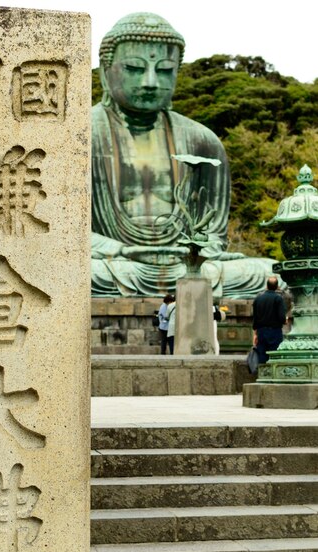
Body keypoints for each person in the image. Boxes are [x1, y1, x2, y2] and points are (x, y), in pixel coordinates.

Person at [91, 12, 281, 299]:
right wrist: (118, 249)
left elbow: (214, 233)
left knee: (269, 274)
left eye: (165, 70)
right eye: (134, 68)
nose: (151, 81)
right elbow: (61, 229)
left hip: (188, 265)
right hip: (116, 263)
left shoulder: (202, 141)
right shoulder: (79, 136)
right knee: (67, 270)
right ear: (106, 70)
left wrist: (198, 253)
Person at [252, 276, 286, 363]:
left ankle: (263, 374)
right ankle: (272, 375)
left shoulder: (258, 299)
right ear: (277, 287)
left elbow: (255, 318)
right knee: (274, 355)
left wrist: (255, 334)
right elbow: (282, 317)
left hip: (261, 331)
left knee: (262, 355)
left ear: (266, 286)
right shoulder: (278, 298)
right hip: (275, 331)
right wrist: (285, 320)